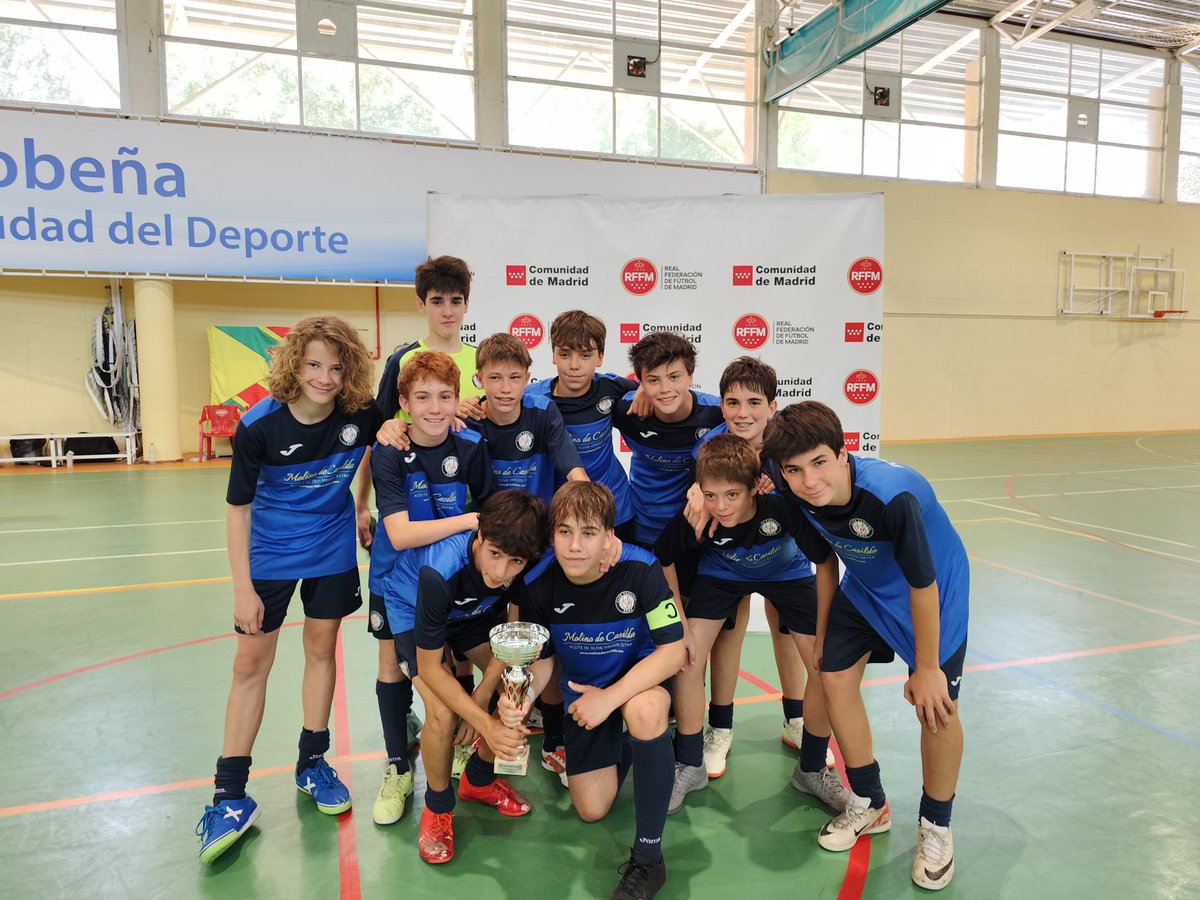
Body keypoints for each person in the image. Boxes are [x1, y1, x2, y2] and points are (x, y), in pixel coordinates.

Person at [195, 315, 382, 864]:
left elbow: (378, 441)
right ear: (293, 365)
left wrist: (363, 502)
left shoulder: (358, 413)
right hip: (269, 556)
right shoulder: (259, 426)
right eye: (313, 364)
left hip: (330, 552)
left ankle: (312, 762)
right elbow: (237, 510)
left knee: (322, 652)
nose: (324, 376)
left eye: (335, 366)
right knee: (250, 666)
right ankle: (229, 796)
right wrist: (241, 587)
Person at [761, 401, 969, 891]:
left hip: (933, 592)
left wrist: (926, 667)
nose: (809, 480)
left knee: (936, 706)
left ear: (843, 452)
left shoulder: (891, 496)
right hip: (867, 586)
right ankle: (869, 801)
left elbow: (923, 584)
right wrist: (825, 633)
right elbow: (826, 563)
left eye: (819, 463)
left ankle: (936, 826)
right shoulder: (787, 481)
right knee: (830, 675)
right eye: (794, 470)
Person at [503, 482, 685, 900]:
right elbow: (545, 659)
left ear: (609, 536)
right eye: (564, 531)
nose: (574, 546)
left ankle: (649, 859)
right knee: (591, 809)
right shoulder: (537, 585)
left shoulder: (642, 569)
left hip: (637, 684)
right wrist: (522, 700)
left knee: (642, 711)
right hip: (586, 698)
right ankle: (630, 743)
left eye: (588, 533)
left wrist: (611, 699)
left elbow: (673, 653)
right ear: (551, 536)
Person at [655, 434, 847, 815]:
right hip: (722, 575)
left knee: (824, 667)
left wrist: (824, 627)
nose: (721, 506)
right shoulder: (700, 513)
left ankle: (811, 769)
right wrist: (678, 623)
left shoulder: (780, 507)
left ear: (753, 489)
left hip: (786, 576)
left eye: (731, 495)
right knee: (687, 659)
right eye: (711, 495)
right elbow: (663, 557)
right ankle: (690, 763)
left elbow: (825, 560)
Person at [385, 490, 548, 863]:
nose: (500, 572)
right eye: (494, 554)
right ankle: (438, 809)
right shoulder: (439, 571)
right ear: (479, 537)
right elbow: (429, 668)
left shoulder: (520, 569)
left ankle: (478, 780)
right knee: (441, 714)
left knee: (513, 688)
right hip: (413, 608)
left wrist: (482, 698)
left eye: (515, 562)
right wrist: (483, 723)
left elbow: (512, 633)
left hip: (473, 614)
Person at [367, 351, 495, 825]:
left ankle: (461, 751)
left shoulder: (470, 446)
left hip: (447, 577)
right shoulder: (390, 449)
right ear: (404, 402)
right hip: (394, 581)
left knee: (458, 660)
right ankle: (398, 764)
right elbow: (399, 534)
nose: (435, 407)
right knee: (395, 669)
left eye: (445, 396)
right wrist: (469, 520)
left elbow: (493, 513)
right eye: (422, 397)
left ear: (458, 399)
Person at [686, 357, 812, 777]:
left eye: (754, 402)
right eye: (732, 402)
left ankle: (796, 720)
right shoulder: (711, 446)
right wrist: (696, 492)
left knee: (791, 634)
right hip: (726, 564)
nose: (743, 413)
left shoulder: (788, 446)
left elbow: (812, 494)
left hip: (785, 562)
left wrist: (782, 489)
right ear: (721, 406)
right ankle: (719, 728)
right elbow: (702, 483)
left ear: (773, 407)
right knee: (727, 633)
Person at [526, 310, 639, 541]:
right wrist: (474, 405)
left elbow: (656, 390)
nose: (574, 365)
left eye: (585, 355)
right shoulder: (532, 398)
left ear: (600, 357)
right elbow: (495, 402)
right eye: (565, 354)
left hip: (615, 506)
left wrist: (646, 389)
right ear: (553, 355)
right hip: (558, 511)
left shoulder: (612, 387)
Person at [611, 331, 724, 550]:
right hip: (639, 527)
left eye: (674, 377)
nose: (665, 389)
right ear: (641, 382)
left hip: (695, 530)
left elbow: (768, 426)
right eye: (653, 380)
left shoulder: (716, 412)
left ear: (691, 377)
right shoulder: (627, 411)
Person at [466, 332, 587, 504]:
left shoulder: (544, 411)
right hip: (492, 526)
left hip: (541, 524)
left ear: (526, 379)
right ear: (480, 379)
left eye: (514, 377)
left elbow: (576, 474)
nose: (505, 388)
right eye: (495, 378)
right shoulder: (469, 422)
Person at [376, 255, 482, 419]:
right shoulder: (402, 360)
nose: (447, 312)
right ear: (421, 304)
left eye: (455, 302)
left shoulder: (483, 360)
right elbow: (380, 423)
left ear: (466, 304)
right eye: (437, 302)